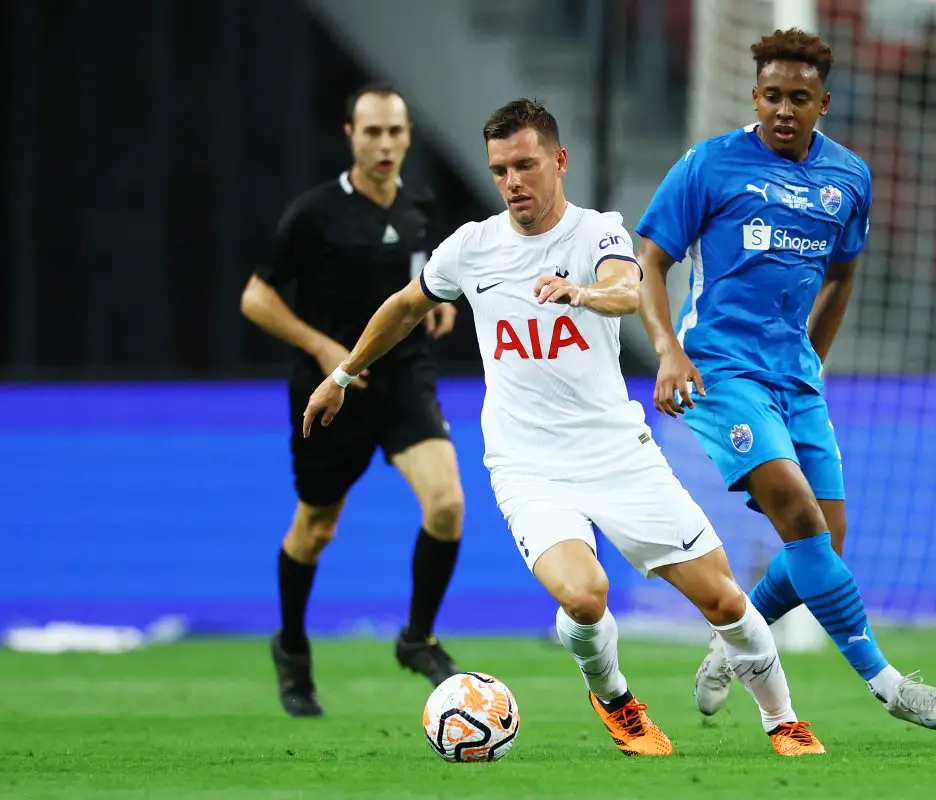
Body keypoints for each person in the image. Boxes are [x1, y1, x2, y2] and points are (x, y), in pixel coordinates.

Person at [302, 98, 825, 756]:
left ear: (559, 161)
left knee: (722, 599)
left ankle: (783, 720)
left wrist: (578, 293)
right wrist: (343, 375)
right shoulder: (473, 248)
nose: (513, 182)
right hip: (529, 467)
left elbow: (627, 289)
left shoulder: (595, 233)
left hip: (617, 454)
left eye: (525, 165)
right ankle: (615, 700)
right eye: (500, 171)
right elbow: (408, 306)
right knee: (585, 595)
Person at [635, 29, 936, 730]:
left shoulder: (849, 177)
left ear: (824, 103)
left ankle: (737, 635)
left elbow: (843, 272)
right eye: (771, 96)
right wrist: (667, 349)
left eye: (798, 98)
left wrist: (811, 357)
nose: (783, 109)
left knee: (824, 542)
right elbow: (650, 257)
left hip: (795, 376)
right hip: (721, 368)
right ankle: (888, 684)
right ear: (755, 96)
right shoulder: (710, 165)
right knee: (799, 512)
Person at [240, 83, 467, 718]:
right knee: (315, 530)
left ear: (409, 135)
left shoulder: (421, 208)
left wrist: (440, 304)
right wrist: (321, 349)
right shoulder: (315, 214)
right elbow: (255, 297)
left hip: (404, 383)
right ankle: (291, 648)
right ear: (350, 136)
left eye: (396, 131)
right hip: (332, 395)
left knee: (447, 504)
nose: (386, 143)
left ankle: (417, 639)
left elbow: (421, 287)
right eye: (373, 132)